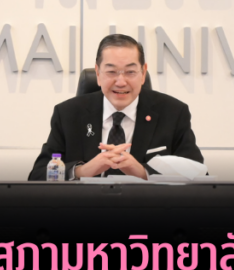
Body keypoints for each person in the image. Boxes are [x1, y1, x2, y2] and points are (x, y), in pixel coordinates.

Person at [28, 34, 203, 181]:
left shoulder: (173, 113)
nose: (120, 82)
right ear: (98, 73)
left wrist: (143, 173)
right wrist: (81, 171)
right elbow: (37, 176)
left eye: (130, 72)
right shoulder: (68, 114)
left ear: (143, 73)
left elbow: (199, 177)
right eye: (111, 72)